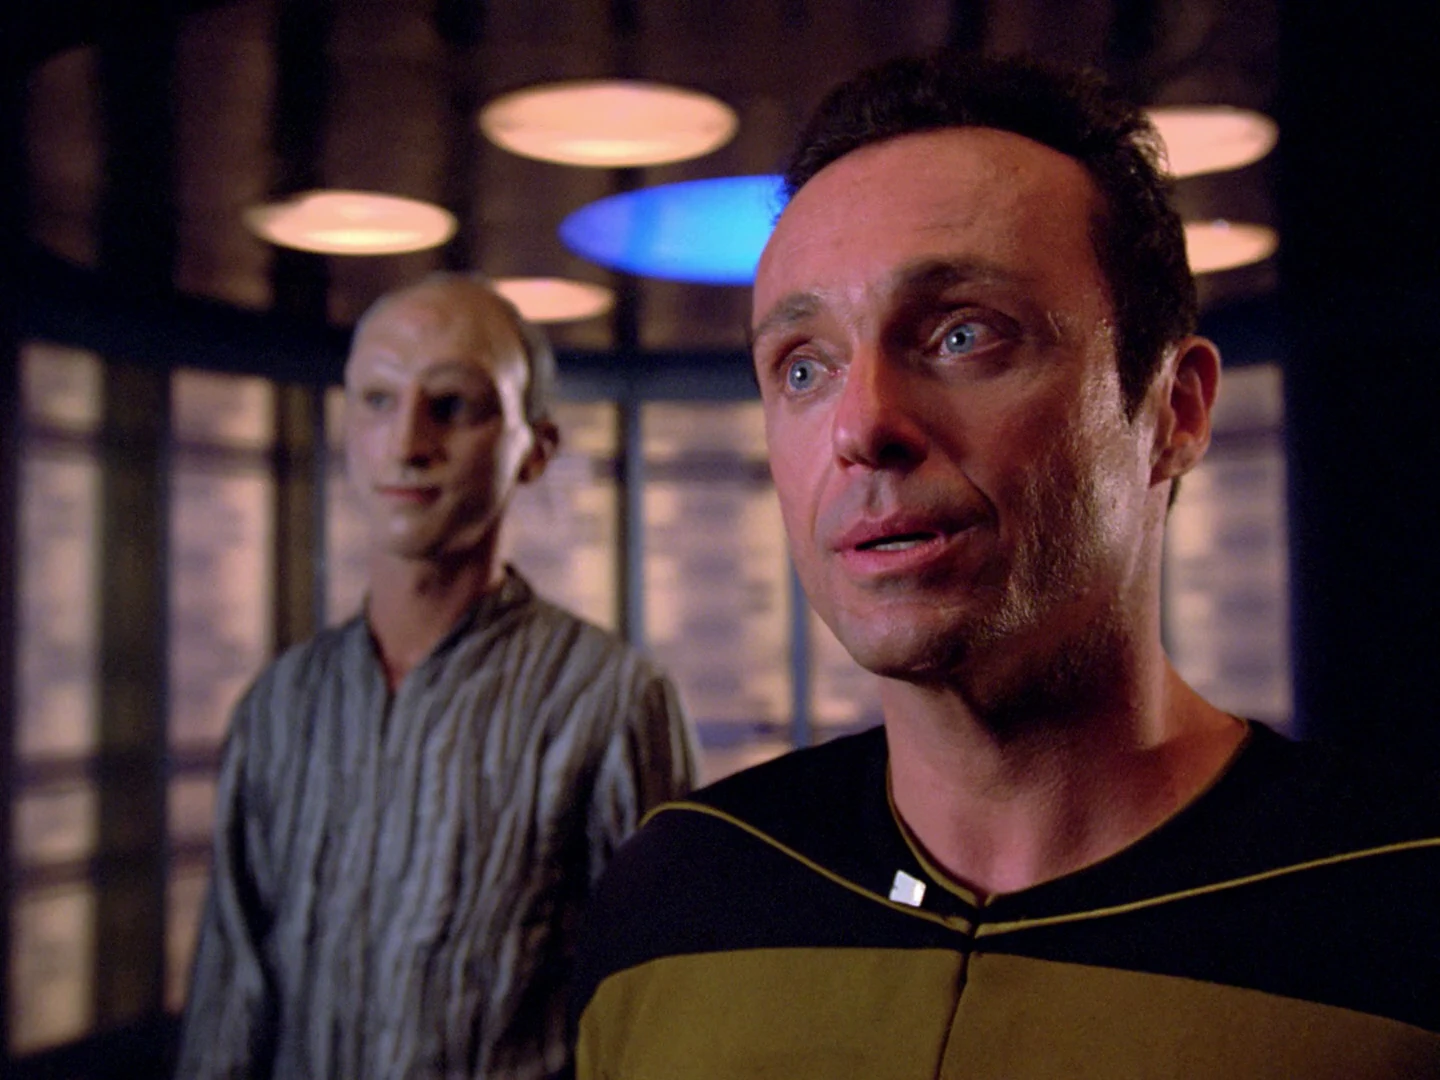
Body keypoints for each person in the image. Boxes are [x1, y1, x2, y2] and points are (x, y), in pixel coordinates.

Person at [569, 53, 1440, 1078]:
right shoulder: (680, 898)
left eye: (963, 335)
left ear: (1175, 411)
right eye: (804, 366)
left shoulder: (1396, 913)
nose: (861, 426)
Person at [176, 273, 698, 1079]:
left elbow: (663, 1015)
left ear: (535, 450)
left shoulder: (611, 701)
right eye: (377, 400)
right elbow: (228, 1007)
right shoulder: (280, 705)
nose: (407, 442)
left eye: (452, 405)